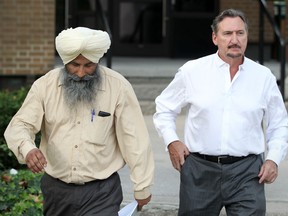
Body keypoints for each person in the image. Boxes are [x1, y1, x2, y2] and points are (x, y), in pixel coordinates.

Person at [4, 27, 154, 216]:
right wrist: (28, 149)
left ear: (97, 61)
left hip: (102, 192)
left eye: (88, 65)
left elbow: (135, 138)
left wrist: (142, 185)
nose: (81, 73)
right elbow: (20, 125)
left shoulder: (118, 86)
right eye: (75, 65)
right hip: (56, 191)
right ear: (65, 61)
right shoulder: (44, 86)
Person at [153, 8, 288, 216]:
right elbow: (164, 108)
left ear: (246, 36)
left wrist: (273, 159)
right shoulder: (192, 71)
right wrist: (172, 141)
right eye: (227, 34)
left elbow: (279, 123)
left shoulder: (263, 77)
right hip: (199, 170)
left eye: (240, 33)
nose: (235, 39)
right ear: (215, 38)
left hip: (247, 172)